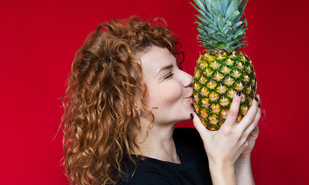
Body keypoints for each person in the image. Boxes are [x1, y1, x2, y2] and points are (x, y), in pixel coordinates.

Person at [61, 16, 261, 185]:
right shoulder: (139, 179)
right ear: (128, 103)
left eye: (178, 68)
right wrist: (222, 164)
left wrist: (241, 157)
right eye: (167, 75)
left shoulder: (196, 143)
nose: (189, 79)